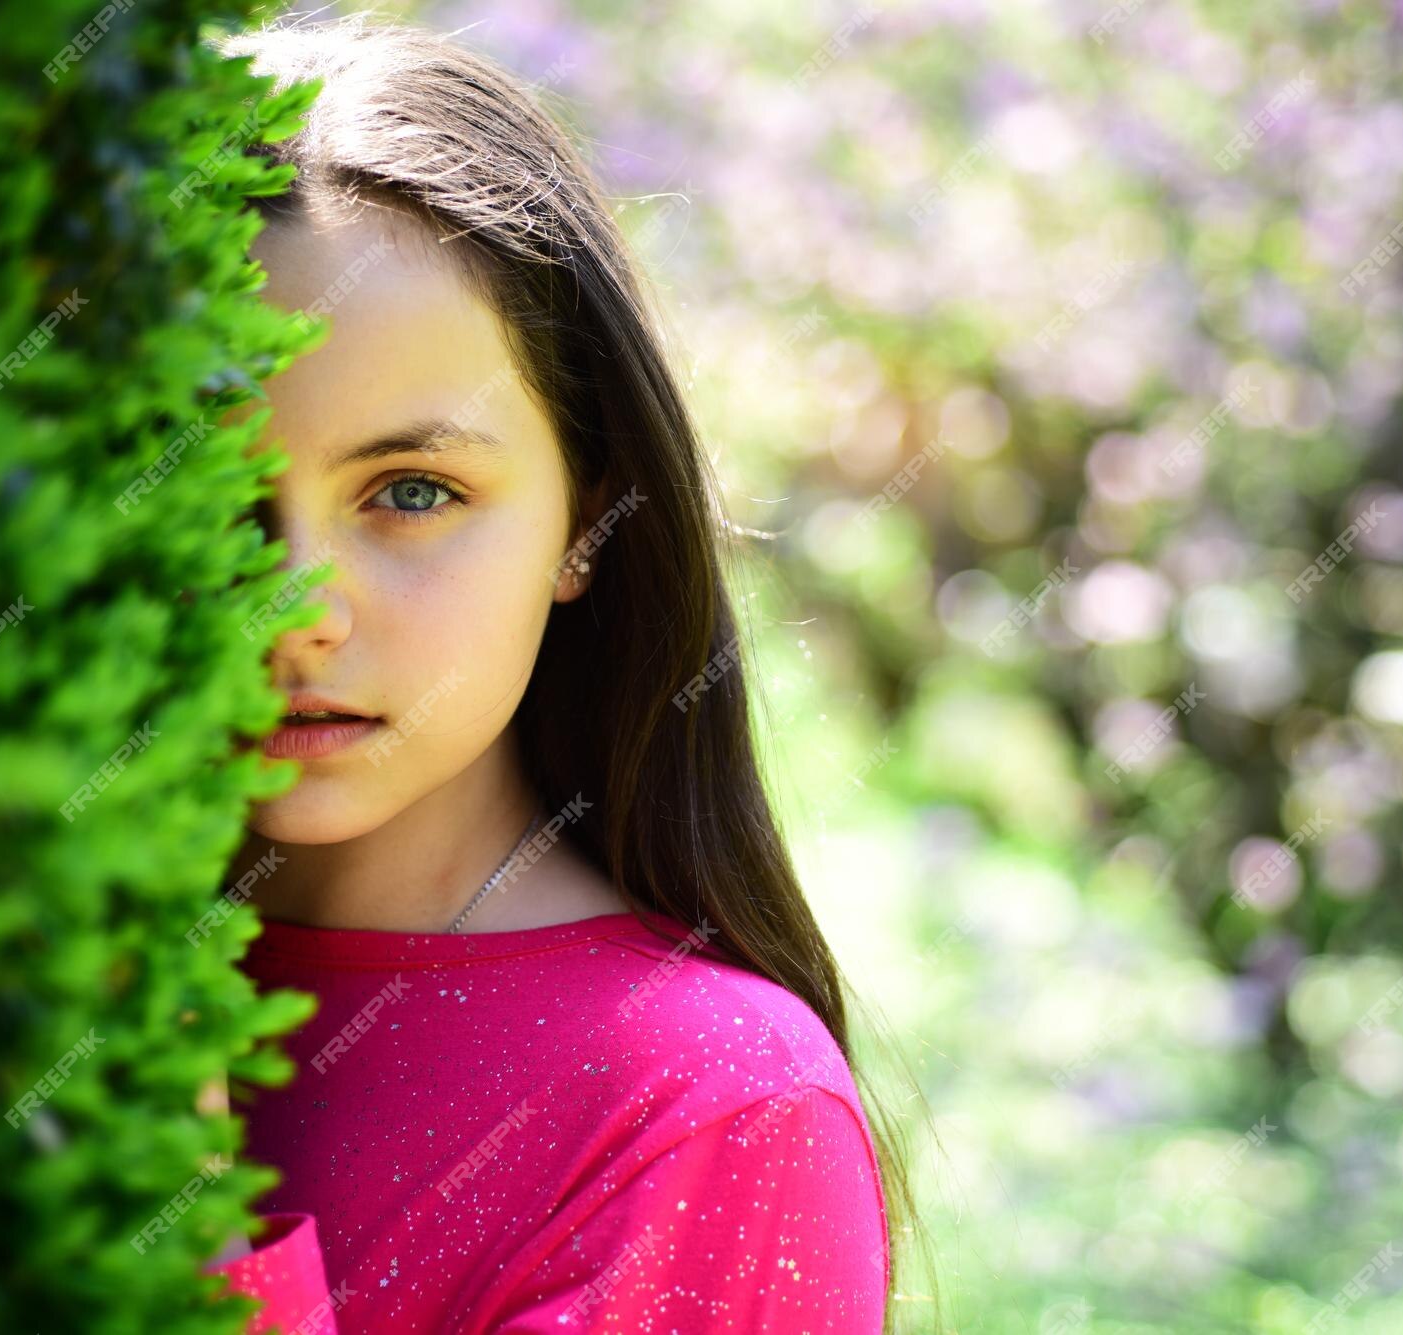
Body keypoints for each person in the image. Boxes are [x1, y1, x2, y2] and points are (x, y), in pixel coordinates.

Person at [192, 14, 921, 1332]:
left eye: (412, 490)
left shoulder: (709, 1111)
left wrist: (180, 1218)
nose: (290, 608)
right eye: (206, 495)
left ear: (586, 518)